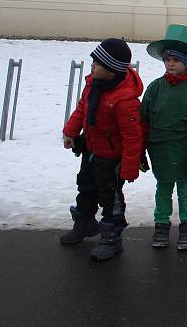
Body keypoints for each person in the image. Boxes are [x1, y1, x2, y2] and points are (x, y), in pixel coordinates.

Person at [61, 38, 144, 261]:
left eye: (97, 63)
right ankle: (85, 222)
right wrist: (70, 131)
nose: (92, 67)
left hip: (111, 159)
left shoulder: (124, 100)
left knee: (110, 198)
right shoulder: (93, 84)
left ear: (111, 69)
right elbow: (81, 109)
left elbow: (133, 136)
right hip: (91, 149)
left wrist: (128, 168)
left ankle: (111, 238)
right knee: (85, 186)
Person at [142, 24, 187, 251]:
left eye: (176, 59)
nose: (171, 64)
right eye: (167, 59)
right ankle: (161, 224)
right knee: (162, 189)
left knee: (185, 191)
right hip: (160, 150)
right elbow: (143, 121)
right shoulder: (155, 88)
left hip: (186, 152)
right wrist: (139, 150)